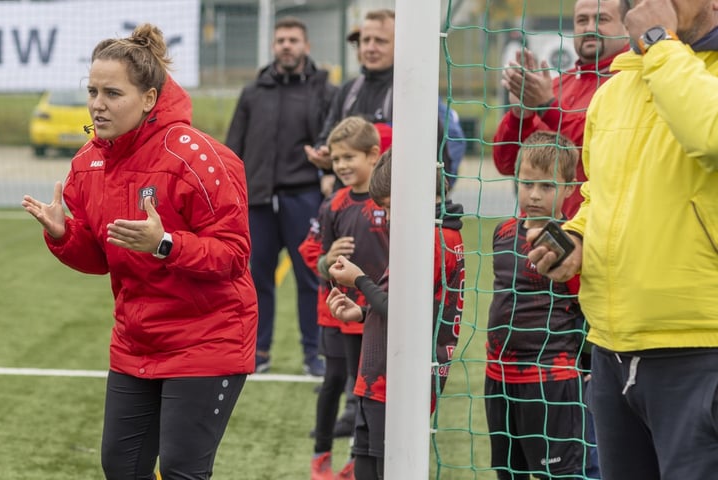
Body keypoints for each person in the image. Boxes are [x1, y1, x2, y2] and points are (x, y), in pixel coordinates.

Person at [21, 24, 256, 480]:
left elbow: (233, 255)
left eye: (112, 92)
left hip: (208, 338)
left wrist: (165, 244)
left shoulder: (199, 157)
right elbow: (100, 256)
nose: (97, 104)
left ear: (148, 98)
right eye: (92, 91)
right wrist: (64, 235)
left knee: (183, 471)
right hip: (135, 342)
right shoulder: (87, 162)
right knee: (122, 468)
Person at [528, 1, 718, 479]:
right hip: (612, 347)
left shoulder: (666, 60)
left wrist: (659, 42)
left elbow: (711, 137)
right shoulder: (617, 89)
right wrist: (576, 238)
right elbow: (601, 193)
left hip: (700, 348)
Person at [326, 147, 465, 480]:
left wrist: (358, 279)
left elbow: (403, 313)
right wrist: (362, 312)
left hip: (399, 382)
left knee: (385, 469)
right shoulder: (429, 233)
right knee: (364, 463)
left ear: (414, 194)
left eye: (389, 207)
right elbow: (403, 304)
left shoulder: (432, 239)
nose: (387, 217)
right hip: (381, 376)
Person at [225, 16, 336, 376]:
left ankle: (312, 354)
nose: (286, 45)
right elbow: (233, 146)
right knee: (257, 280)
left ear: (306, 46)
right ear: (273, 47)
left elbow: (332, 140)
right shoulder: (253, 92)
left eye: (293, 39)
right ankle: (258, 353)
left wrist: (328, 173)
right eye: (281, 40)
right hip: (257, 200)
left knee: (310, 277)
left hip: (303, 197)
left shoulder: (324, 90)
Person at [485, 131, 597, 480]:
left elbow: (588, 306)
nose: (533, 195)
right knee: (508, 472)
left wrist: (589, 361)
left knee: (562, 474)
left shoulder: (572, 243)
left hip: (552, 380)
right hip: (499, 377)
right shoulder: (503, 232)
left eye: (546, 186)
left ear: (568, 189)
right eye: (527, 183)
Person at [492, 0, 630, 218]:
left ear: (627, 26)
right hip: (538, 237)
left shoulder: (633, 83)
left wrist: (547, 106)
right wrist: (521, 113)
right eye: (582, 20)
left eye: (602, 19)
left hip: (595, 235)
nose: (589, 28)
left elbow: (603, 148)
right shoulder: (554, 86)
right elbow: (506, 164)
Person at [306, 9, 466, 193]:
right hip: (352, 203)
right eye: (365, 40)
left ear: (400, 44)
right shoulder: (348, 91)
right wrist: (325, 155)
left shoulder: (415, 93)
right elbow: (326, 138)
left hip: (396, 202)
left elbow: (443, 156)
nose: (370, 48)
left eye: (380, 41)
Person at [308, 116, 388, 480]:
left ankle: (359, 457)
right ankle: (321, 454)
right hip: (334, 314)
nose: (341, 166)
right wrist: (327, 260)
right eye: (336, 159)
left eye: (349, 158)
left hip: (372, 314)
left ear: (374, 155)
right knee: (333, 381)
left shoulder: (389, 202)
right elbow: (319, 256)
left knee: (364, 390)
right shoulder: (333, 204)